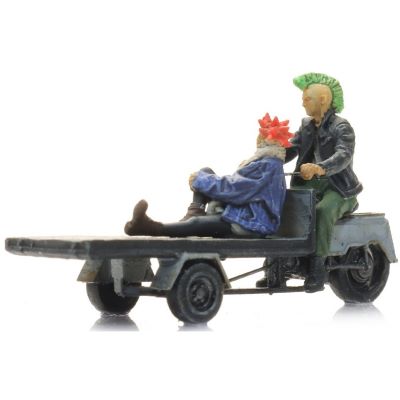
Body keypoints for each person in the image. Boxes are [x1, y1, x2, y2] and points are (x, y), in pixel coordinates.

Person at [124, 114, 294, 238]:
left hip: (249, 222)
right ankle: (194, 211)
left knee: (196, 224)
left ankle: (149, 227)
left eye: (262, 136)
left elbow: (235, 188)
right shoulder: (265, 162)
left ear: (267, 141)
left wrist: (200, 181)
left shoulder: (268, 166)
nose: (258, 139)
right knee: (206, 171)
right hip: (243, 212)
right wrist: (204, 178)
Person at [287, 72, 362, 292]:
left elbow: (343, 155)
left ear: (323, 100)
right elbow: (291, 148)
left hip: (339, 187)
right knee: (284, 206)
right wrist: (269, 152)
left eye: (307, 99)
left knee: (322, 211)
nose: (302, 103)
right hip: (311, 183)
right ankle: (278, 265)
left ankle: (318, 269)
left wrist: (320, 167)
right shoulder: (306, 125)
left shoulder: (342, 127)